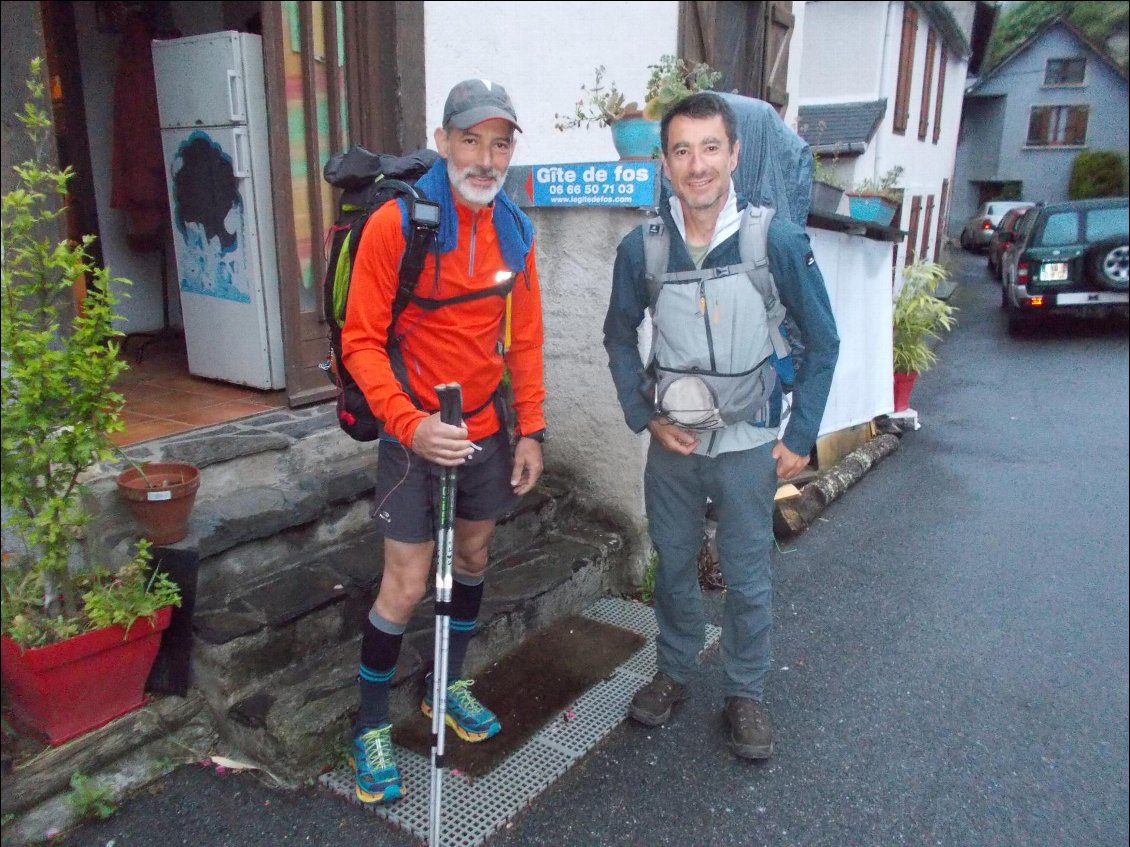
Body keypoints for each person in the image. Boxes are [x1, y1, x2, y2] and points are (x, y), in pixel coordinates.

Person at [602, 92, 839, 760]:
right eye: (682, 150)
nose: (697, 164)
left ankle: (745, 691)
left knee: (747, 571)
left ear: (735, 154)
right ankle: (674, 671)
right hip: (674, 448)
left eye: (711, 148)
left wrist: (799, 436)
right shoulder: (642, 247)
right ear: (665, 162)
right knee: (674, 565)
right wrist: (643, 416)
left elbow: (823, 341)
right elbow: (619, 337)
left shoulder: (777, 240)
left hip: (749, 445)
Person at [340, 78, 546, 803]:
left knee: (478, 554)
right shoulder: (401, 223)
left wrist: (534, 430)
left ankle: (445, 683)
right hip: (414, 429)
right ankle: (369, 725)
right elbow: (362, 343)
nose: (486, 158)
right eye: (471, 140)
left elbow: (525, 341)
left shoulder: (515, 228)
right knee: (406, 579)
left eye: (500, 142)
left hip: (487, 428)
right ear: (444, 141)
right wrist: (412, 425)